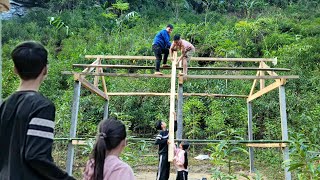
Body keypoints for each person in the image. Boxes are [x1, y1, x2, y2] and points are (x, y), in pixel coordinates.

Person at [0, 41, 74, 179]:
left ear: (15, 69)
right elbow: (36, 156)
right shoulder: (42, 107)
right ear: (45, 69)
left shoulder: (3, 106)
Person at [155, 113, 177, 180]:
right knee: (161, 169)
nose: (164, 122)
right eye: (163, 122)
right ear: (162, 125)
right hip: (163, 153)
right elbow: (157, 142)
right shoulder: (161, 133)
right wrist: (165, 141)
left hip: (168, 153)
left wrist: (175, 118)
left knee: (166, 170)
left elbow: (174, 128)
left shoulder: (168, 132)